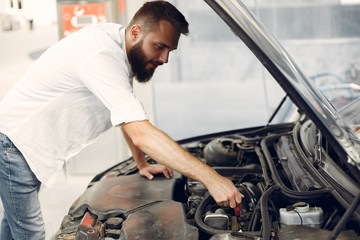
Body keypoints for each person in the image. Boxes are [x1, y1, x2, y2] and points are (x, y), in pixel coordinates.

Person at [0, 1, 244, 239]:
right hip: (15, 144)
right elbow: (141, 133)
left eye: (170, 50)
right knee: (29, 232)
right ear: (136, 31)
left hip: (22, 142)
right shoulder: (102, 55)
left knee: (12, 227)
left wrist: (141, 163)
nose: (165, 59)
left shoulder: (120, 44)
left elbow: (125, 115)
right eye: (160, 46)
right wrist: (211, 178)